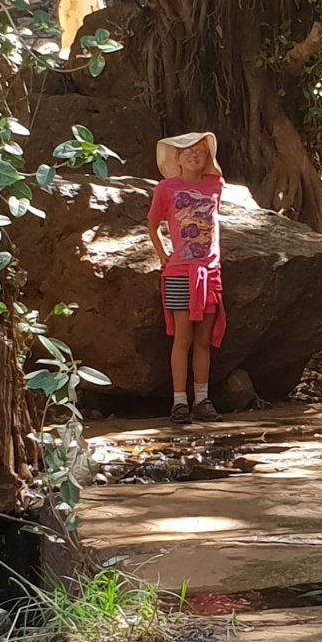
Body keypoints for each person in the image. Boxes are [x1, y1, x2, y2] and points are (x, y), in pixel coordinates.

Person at [147, 131, 225, 423]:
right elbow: (152, 224)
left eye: (200, 151)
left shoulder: (215, 184)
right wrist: (162, 255)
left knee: (203, 339)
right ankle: (179, 401)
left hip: (209, 272)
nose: (194, 155)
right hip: (179, 272)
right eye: (187, 151)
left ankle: (202, 400)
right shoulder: (166, 188)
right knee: (182, 338)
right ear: (177, 158)